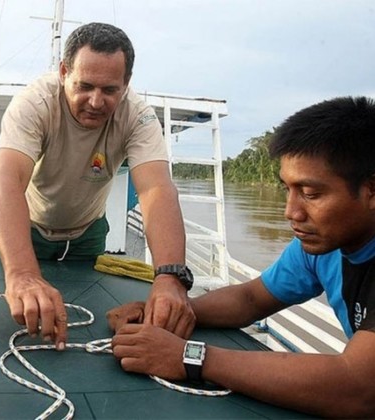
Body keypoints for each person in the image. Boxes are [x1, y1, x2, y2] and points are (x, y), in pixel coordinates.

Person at [110, 96, 375, 417]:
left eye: (310, 194)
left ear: (371, 191)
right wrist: (170, 310)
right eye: (287, 190)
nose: (291, 212)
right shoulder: (323, 248)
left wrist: (189, 357)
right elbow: (250, 299)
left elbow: (359, 386)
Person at [0, 21, 193, 351]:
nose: (96, 102)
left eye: (110, 90)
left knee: (87, 307)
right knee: (21, 310)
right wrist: (22, 274)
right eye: (84, 86)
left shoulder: (137, 116)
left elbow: (156, 189)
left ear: (126, 84)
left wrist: (169, 277)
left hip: (88, 232)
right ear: (64, 72)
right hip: (29, 229)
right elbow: (7, 182)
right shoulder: (34, 103)